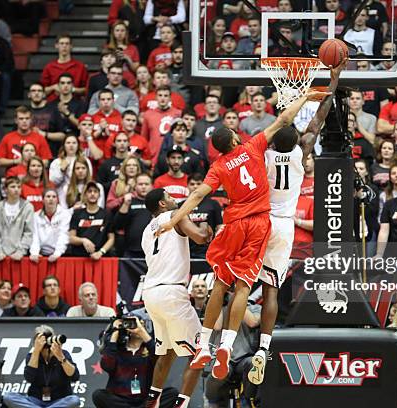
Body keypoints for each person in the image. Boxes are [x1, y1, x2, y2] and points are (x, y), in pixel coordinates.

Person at [156, 88, 329, 380]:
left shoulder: (219, 166)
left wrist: (174, 221)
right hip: (262, 224)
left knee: (220, 284)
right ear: (235, 139)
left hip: (235, 223)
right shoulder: (253, 147)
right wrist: (306, 97)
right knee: (245, 288)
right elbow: (285, 119)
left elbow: (197, 194)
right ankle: (227, 345)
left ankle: (203, 345)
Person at [249, 65, 341, 385]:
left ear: (274, 140)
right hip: (286, 226)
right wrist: (333, 81)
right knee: (272, 288)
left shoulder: (264, 156)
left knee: (244, 283)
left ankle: (222, 337)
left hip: (262, 221)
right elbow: (317, 121)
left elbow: (279, 126)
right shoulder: (302, 154)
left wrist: (290, 104)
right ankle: (263, 348)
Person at [140, 188, 212, 408]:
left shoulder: (146, 230)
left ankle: (153, 400)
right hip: (171, 291)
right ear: (162, 204)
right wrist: (206, 227)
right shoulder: (175, 216)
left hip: (151, 293)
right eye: (170, 197)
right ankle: (182, 404)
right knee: (200, 352)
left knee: (167, 350)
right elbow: (200, 238)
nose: (174, 200)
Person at [92, 312, 177, 408]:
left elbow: (160, 359)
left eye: (139, 323)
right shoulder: (117, 349)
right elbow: (107, 366)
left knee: (172, 393)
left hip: (145, 400)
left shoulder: (149, 348)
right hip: (121, 400)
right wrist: (115, 332)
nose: (135, 326)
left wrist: (142, 332)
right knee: (98, 395)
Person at [3, 325, 80, 408]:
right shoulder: (32, 356)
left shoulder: (63, 354)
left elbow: (74, 376)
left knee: (74, 400)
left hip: (59, 400)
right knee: (8, 397)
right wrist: (36, 350)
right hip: (36, 400)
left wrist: (61, 357)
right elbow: (29, 378)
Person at [0, 177, 35, 261]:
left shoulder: (28, 207)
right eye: (13, 187)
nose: (16, 189)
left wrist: (21, 251)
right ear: (6, 189)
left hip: (20, 255)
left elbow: (29, 232)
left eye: (19, 187)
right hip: (1, 254)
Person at [67, 181, 115, 259]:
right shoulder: (77, 213)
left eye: (95, 191)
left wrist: (101, 252)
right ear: (85, 194)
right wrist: (83, 240)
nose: (92, 194)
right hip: (79, 258)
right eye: (89, 191)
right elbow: (71, 238)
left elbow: (111, 238)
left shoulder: (106, 214)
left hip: (101, 258)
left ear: (99, 195)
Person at [113, 173, 152, 258]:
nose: (143, 187)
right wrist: (126, 204)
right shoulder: (129, 202)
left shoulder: (156, 203)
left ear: (151, 186)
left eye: (146, 184)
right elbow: (118, 225)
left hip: (152, 251)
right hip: (131, 250)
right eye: (140, 184)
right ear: (135, 186)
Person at [40, 34, 88, 102]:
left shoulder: (80, 67)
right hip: (53, 104)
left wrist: (73, 89)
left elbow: (86, 89)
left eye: (67, 44)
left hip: (75, 104)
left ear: (71, 46)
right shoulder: (49, 67)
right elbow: (41, 90)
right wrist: (53, 87)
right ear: (56, 46)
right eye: (61, 43)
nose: (64, 46)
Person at [30, 189, 71, 263]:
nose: (51, 199)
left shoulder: (65, 214)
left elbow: (63, 235)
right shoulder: (35, 216)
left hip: (61, 254)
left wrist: (57, 254)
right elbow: (34, 236)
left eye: (54, 197)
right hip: (42, 253)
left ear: (57, 200)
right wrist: (34, 253)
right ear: (43, 200)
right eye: (48, 196)